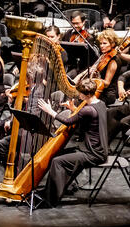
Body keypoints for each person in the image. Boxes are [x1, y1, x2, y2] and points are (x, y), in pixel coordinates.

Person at [37, 78, 108, 206]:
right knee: (58, 154)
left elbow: (68, 122)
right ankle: (59, 189)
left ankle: (51, 199)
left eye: (80, 93)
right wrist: (73, 108)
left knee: (57, 161)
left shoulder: (87, 109)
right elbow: (87, 118)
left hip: (93, 154)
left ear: (86, 94)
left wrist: (49, 111)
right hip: (99, 149)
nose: (78, 95)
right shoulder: (100, 104)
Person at [76, 29, 121, 106]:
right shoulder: (103, 56)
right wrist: (79, 76)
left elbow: (106, 83)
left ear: (113, 44)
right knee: (78, 96)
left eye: (104, 43)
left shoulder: (113, 61)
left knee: (82, 101)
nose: (101, 46)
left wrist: (92, 79)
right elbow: (92, 68)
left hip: (107, 94)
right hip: (98, 89)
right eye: (100, 43)